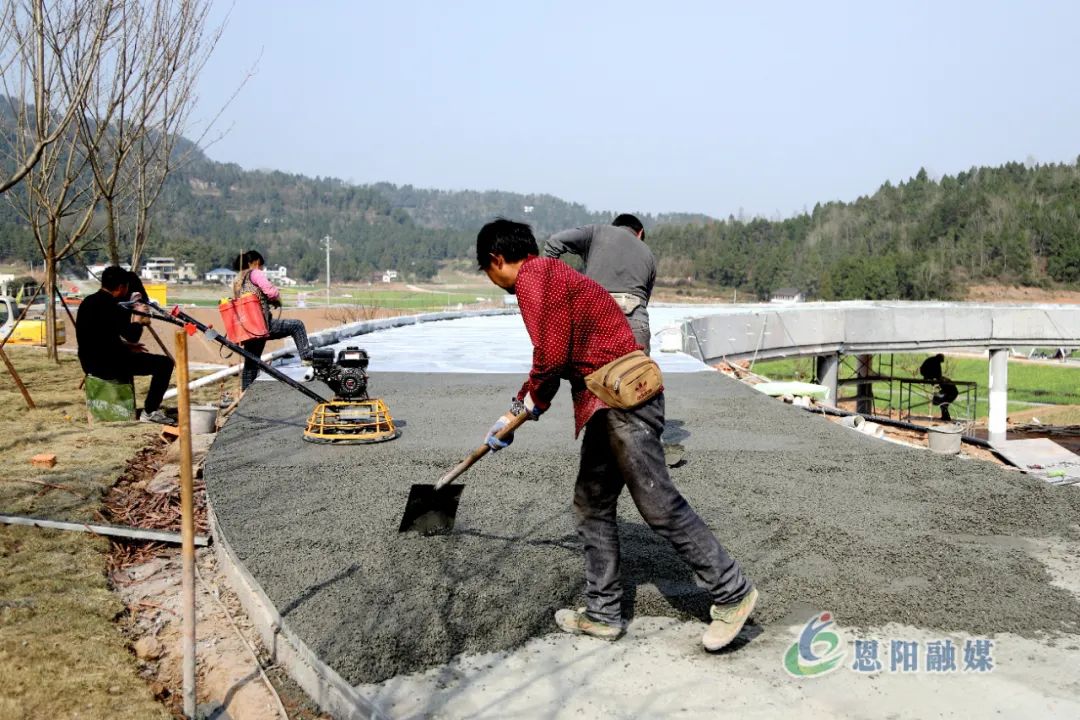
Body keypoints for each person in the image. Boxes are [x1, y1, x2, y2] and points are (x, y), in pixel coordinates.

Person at [477, 218, 757, 651]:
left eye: (489, 273)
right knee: (592, 503)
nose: (495, 282)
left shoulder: (535, 279)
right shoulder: (553, 275)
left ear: (496, 260)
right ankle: (604, 613)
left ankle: (732, 592)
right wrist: (522, 407)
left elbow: (550, 357)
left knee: (659, 503)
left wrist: (522, 407)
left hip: (624, 401)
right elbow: (561, 353)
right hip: (604, 401)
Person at [543, 214, 656, 353]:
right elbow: (645, 300)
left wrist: (553, 286)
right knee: (638, 373)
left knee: (592, 373)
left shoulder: (596, 232)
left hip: (595, 319)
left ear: (614, 226)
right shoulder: (648, 253)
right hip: (636, 324)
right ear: (640, 233)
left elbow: (554, 242)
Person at [76, 265, 174, 424]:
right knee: (164, 364)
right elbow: (133, 335)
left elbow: (99, 336)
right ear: (122, 287)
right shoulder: (113, 306)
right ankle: (149, 412)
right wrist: (137, 317)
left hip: (90, 362)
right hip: (108, 364)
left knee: (149, 360)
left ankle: (148, 411)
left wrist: (126, 347)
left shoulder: (88, 301)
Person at [232, 250, 312, 390]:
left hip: (247, 328)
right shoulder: (255, 273)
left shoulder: (238, 279)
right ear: (256, 262)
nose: (262, 268)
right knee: (297, 326)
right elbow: (271, 292)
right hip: (261, 325)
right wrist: (276, 298)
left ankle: (246, 393)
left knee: (250, 364)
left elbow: (251, 298)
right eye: (261, 265)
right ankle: (306, 357)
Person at [919, 353, 959, 421]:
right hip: (951, 392)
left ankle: (946, 417)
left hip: (952, 392)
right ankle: (946, 417)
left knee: (943, 404)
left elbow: (939, 377)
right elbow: (938, 375)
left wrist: (937, 394)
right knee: (943, 404)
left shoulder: (933, 361)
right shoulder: (935, 362)